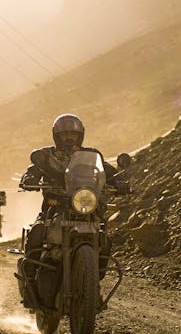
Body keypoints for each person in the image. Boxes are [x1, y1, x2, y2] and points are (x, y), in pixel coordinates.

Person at [19, 113, 129, 296]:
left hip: (86, 206)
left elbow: (107, 171)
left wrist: (121, 182)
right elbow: (33, 170)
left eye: (73, 134)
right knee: (37, 233)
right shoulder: (47, 156)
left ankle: (93, 281)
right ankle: (29, 281)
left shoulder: (91, 155)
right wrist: (30, 178)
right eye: (65, 135)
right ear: (57, 136)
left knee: (105, 240)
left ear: (80, 135)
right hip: (55, 208)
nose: (69, 138)